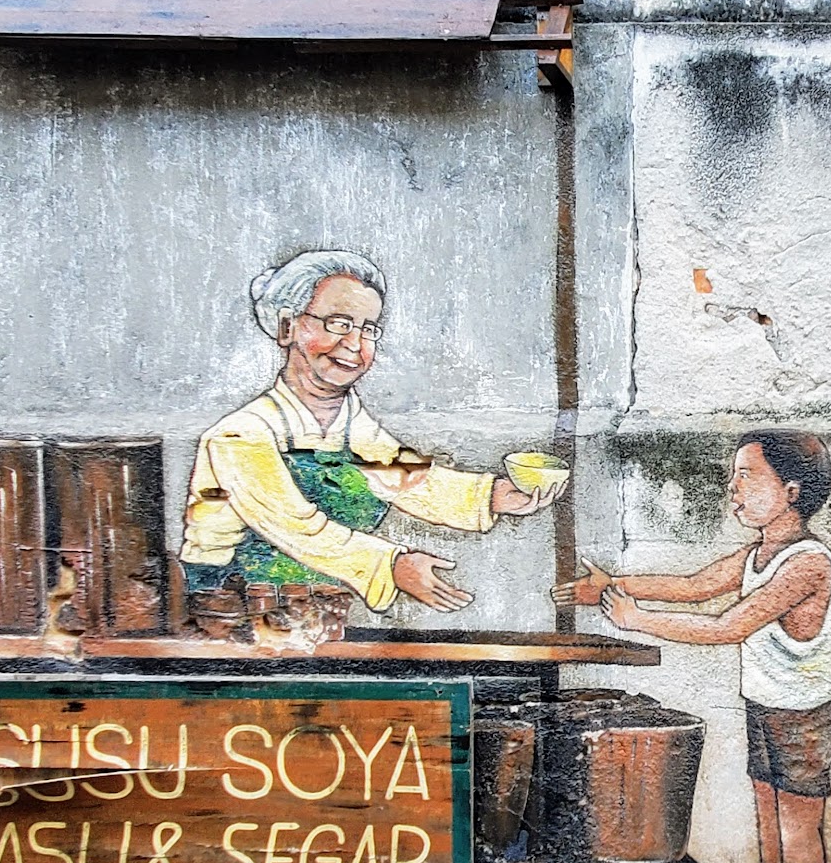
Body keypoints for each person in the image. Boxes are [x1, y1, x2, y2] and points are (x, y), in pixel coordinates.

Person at [555, 430, 831, 863]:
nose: (733, 488)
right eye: (734, 474)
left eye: (748, 476)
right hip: (766, 711)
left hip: (801, 723)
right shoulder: (756, 556)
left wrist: (638, 620)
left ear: (790, 490)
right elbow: (693, 587)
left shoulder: (808, 564)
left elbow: (726, 625)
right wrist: (611, 586)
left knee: (796, 843)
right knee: (772, 842)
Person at [178, 250, 561, 617]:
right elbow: (295, 526)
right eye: (339, 324)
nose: (354, 345)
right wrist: (393, 566)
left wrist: (493, 496)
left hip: (316, 612)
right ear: (287, 327)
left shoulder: (351, 425)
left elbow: (407, 480)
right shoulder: (240, 434)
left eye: (368, 329)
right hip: (231, 613)